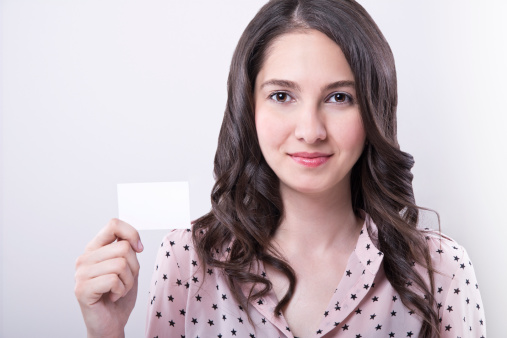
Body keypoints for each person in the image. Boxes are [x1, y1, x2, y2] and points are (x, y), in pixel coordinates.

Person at [74, 0, 487, 337]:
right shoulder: (186, 260)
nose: (310, 131)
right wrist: (106, 332)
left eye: (340, 97)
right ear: (247, 107)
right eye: (282, 96)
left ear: (374, 109)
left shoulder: (440, 269)